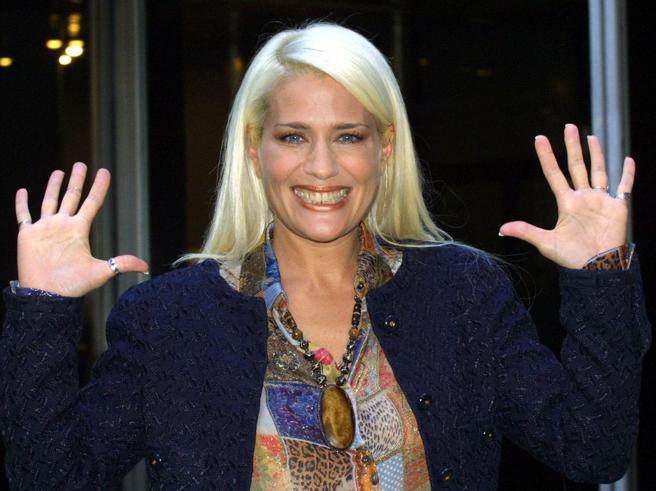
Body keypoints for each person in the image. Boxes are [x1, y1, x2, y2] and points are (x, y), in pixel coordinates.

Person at [1, 22, 650, 490]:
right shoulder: (169, 318)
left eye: (347, 136)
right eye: (293, 136)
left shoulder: (462, 292)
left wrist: (600, 276)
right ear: (254, 148)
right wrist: (42, 310)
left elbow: (592, 448)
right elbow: (53, 478)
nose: (321, 167)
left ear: (384, 148)